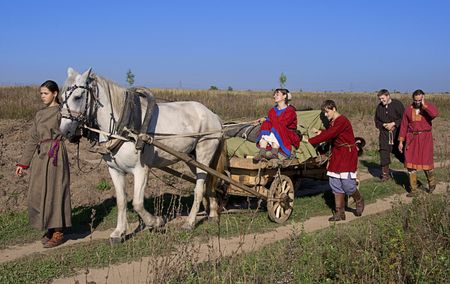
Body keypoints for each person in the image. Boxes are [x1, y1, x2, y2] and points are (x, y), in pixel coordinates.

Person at [15, 80, 72, 248]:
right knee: (39, 192)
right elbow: (33, 139)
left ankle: (58, 231)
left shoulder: (62, 112)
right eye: (41, 93)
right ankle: (49, 225)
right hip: (41, 157)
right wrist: (23, 163)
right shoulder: (39, 114)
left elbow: (72, 131)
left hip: (56, 156)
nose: (42, 96)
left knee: (56, 191)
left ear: (55, 93)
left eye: (45, 93)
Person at [304, 100, 364, 221]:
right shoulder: (333, 122)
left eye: (327, 112)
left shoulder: (342, 120)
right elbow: (332, 133)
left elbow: (331, 134)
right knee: (335, 183)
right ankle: (339, 212)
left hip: (347, 154)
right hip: (337, 154)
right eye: (324, 113)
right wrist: (321, 132)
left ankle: (359, 199)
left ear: (334, 109)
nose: (326, 115)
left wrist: (310, 141)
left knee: (348, 185)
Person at [398, 89, 439, 197]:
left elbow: (434, 114)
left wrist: (424, 105)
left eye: (420, 100)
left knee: (426, 163)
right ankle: (414, 190)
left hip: (425, 138)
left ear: (423, 98)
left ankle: (432, 183)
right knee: (410, 163)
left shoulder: (428, 108)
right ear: (413, 99)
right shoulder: (408, 110)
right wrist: (401, 142)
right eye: (416, 100)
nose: (418, 102)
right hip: (412, 138)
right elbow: (403, 126)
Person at [254, 88, 301, 161]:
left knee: (278, 126)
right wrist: (266, 120)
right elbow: (271, 120)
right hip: (276, 130)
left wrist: (268, 120)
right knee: (266, 124)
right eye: (274, 94)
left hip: (287, 133)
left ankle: (274, 153)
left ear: (284, 96)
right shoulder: (272, 110)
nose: (274, 96)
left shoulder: (290, 111)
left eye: (277, 94)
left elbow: (283, 123)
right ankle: (262, 153)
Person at [374, 89, 405, 181]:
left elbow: (404, 118)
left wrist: (394, 123)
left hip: (397, 133)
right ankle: (385, 175)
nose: (381, 101)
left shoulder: (397, 104)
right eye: (380, 99)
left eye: (383, 98)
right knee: (383, 152)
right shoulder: (379, 107)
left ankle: (411, 170)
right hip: (384, 133)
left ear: (388, 96)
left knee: (400, 151)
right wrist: (383, 125)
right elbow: (376, 121)